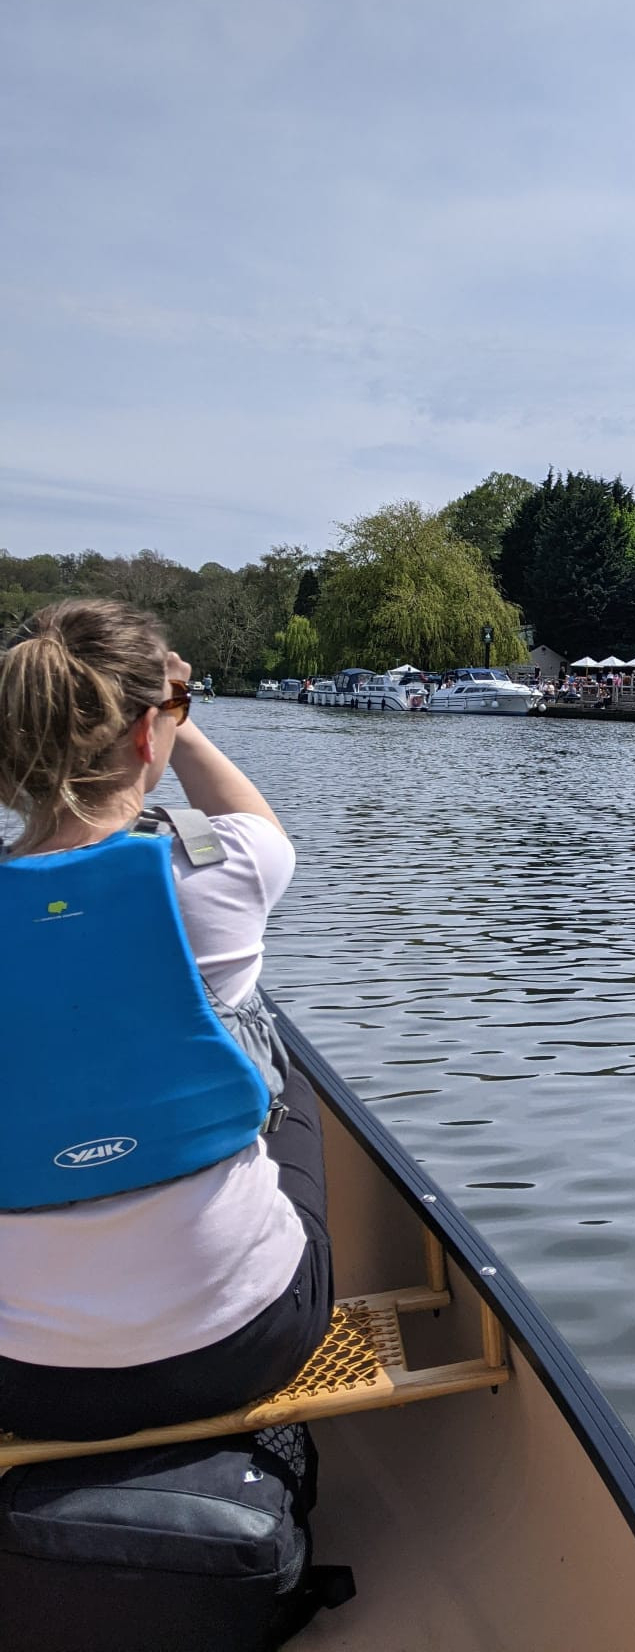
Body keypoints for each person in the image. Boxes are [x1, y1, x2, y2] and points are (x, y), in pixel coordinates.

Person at [0, 600, 332, 1441]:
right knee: (284, 1065)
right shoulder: (229, 873)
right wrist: (180, 718)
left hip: (20, 1379)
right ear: (150, 734)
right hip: (243, 1341)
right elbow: (253, 823)